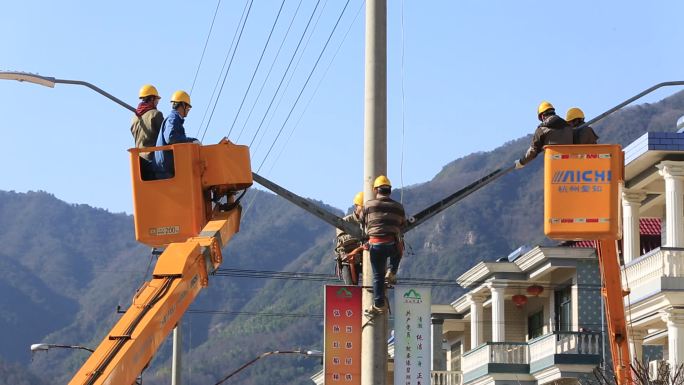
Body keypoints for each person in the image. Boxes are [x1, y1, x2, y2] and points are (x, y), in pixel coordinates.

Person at [361, 176, 407, 316]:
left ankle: (379, 304)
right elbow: (402, 224)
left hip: (375, 244)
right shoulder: (398, 207)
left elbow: (362, 219)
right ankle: (392, 271)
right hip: (391, 244)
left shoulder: (369, 205)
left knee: (378, 276)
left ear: (375, 190)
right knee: (400, 245)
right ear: (390, 191)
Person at [515, 101, 574, 169]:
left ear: (542, 116)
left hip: (554, 166)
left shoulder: (542, 129)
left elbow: (533, 151)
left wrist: (522, 162)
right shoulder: (568, 127)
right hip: (570, 166)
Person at [154, 90, 199, 179]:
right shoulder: (173, 118)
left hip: (164, 167)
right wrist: (192, 141)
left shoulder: (174, 119)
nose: (188, 111)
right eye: (188, 108)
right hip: (165, 168)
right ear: (182, 105)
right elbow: (170, 137)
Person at [130, 84, 163, 179]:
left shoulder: (134, 118)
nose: (157, 102)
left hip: (140, 162)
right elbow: (165, 136)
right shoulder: (156, 114)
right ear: (152, 99)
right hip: (154, 162)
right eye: (157, 99)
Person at [334, 192, 365, 285]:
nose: (365, 210)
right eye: (363, 207)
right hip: (349, 260)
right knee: (351, 288)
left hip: (365, 258)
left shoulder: (370, 222)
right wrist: (361, 238)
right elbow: (342, 241)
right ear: (356, 206)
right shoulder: (346, 221)